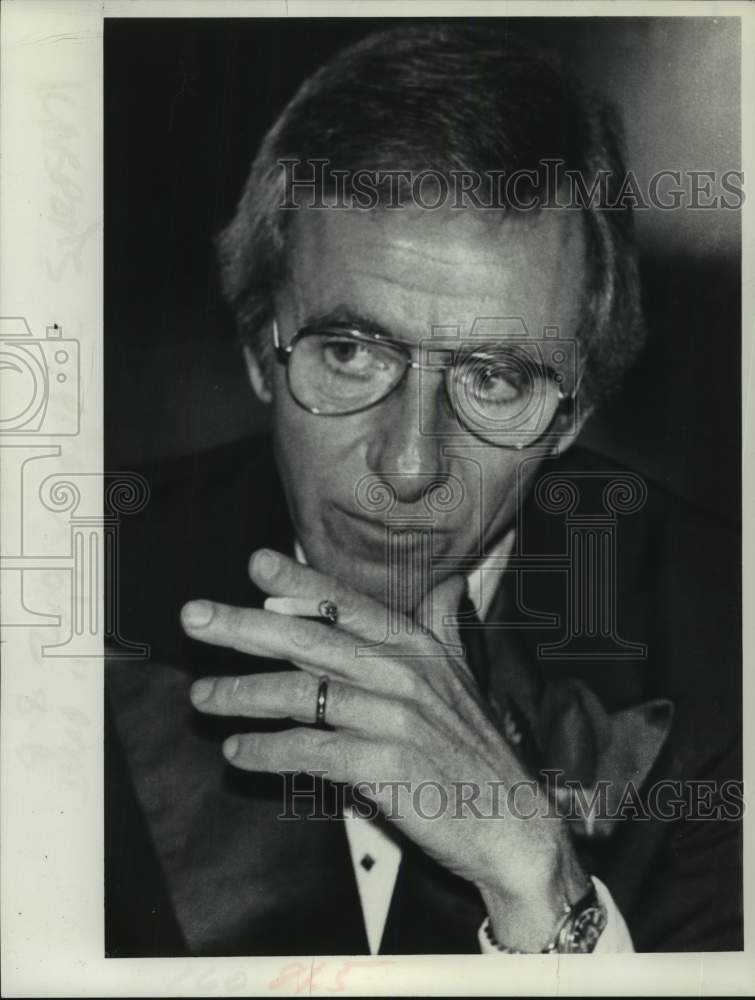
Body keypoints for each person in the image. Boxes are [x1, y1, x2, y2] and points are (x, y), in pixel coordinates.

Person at [105, 23, 742, 956]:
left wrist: (542, 884)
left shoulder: (727, 641)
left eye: (494, 378)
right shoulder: (67, 596)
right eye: (350, 353)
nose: (409, 468)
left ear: (571, 415)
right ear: (256, 349)